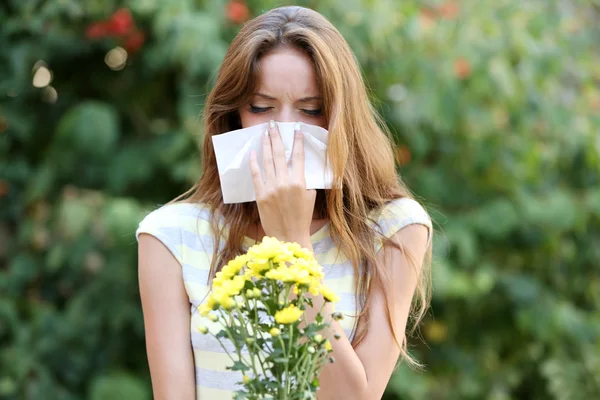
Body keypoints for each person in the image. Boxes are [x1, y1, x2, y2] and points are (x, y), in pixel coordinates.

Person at [136, 5, 433, 400]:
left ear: (339, 118)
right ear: (234, 114)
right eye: (261, 107)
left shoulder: (393, 229)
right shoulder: (171, 237)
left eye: (311, 110)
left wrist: (292, 245)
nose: (287, 131)